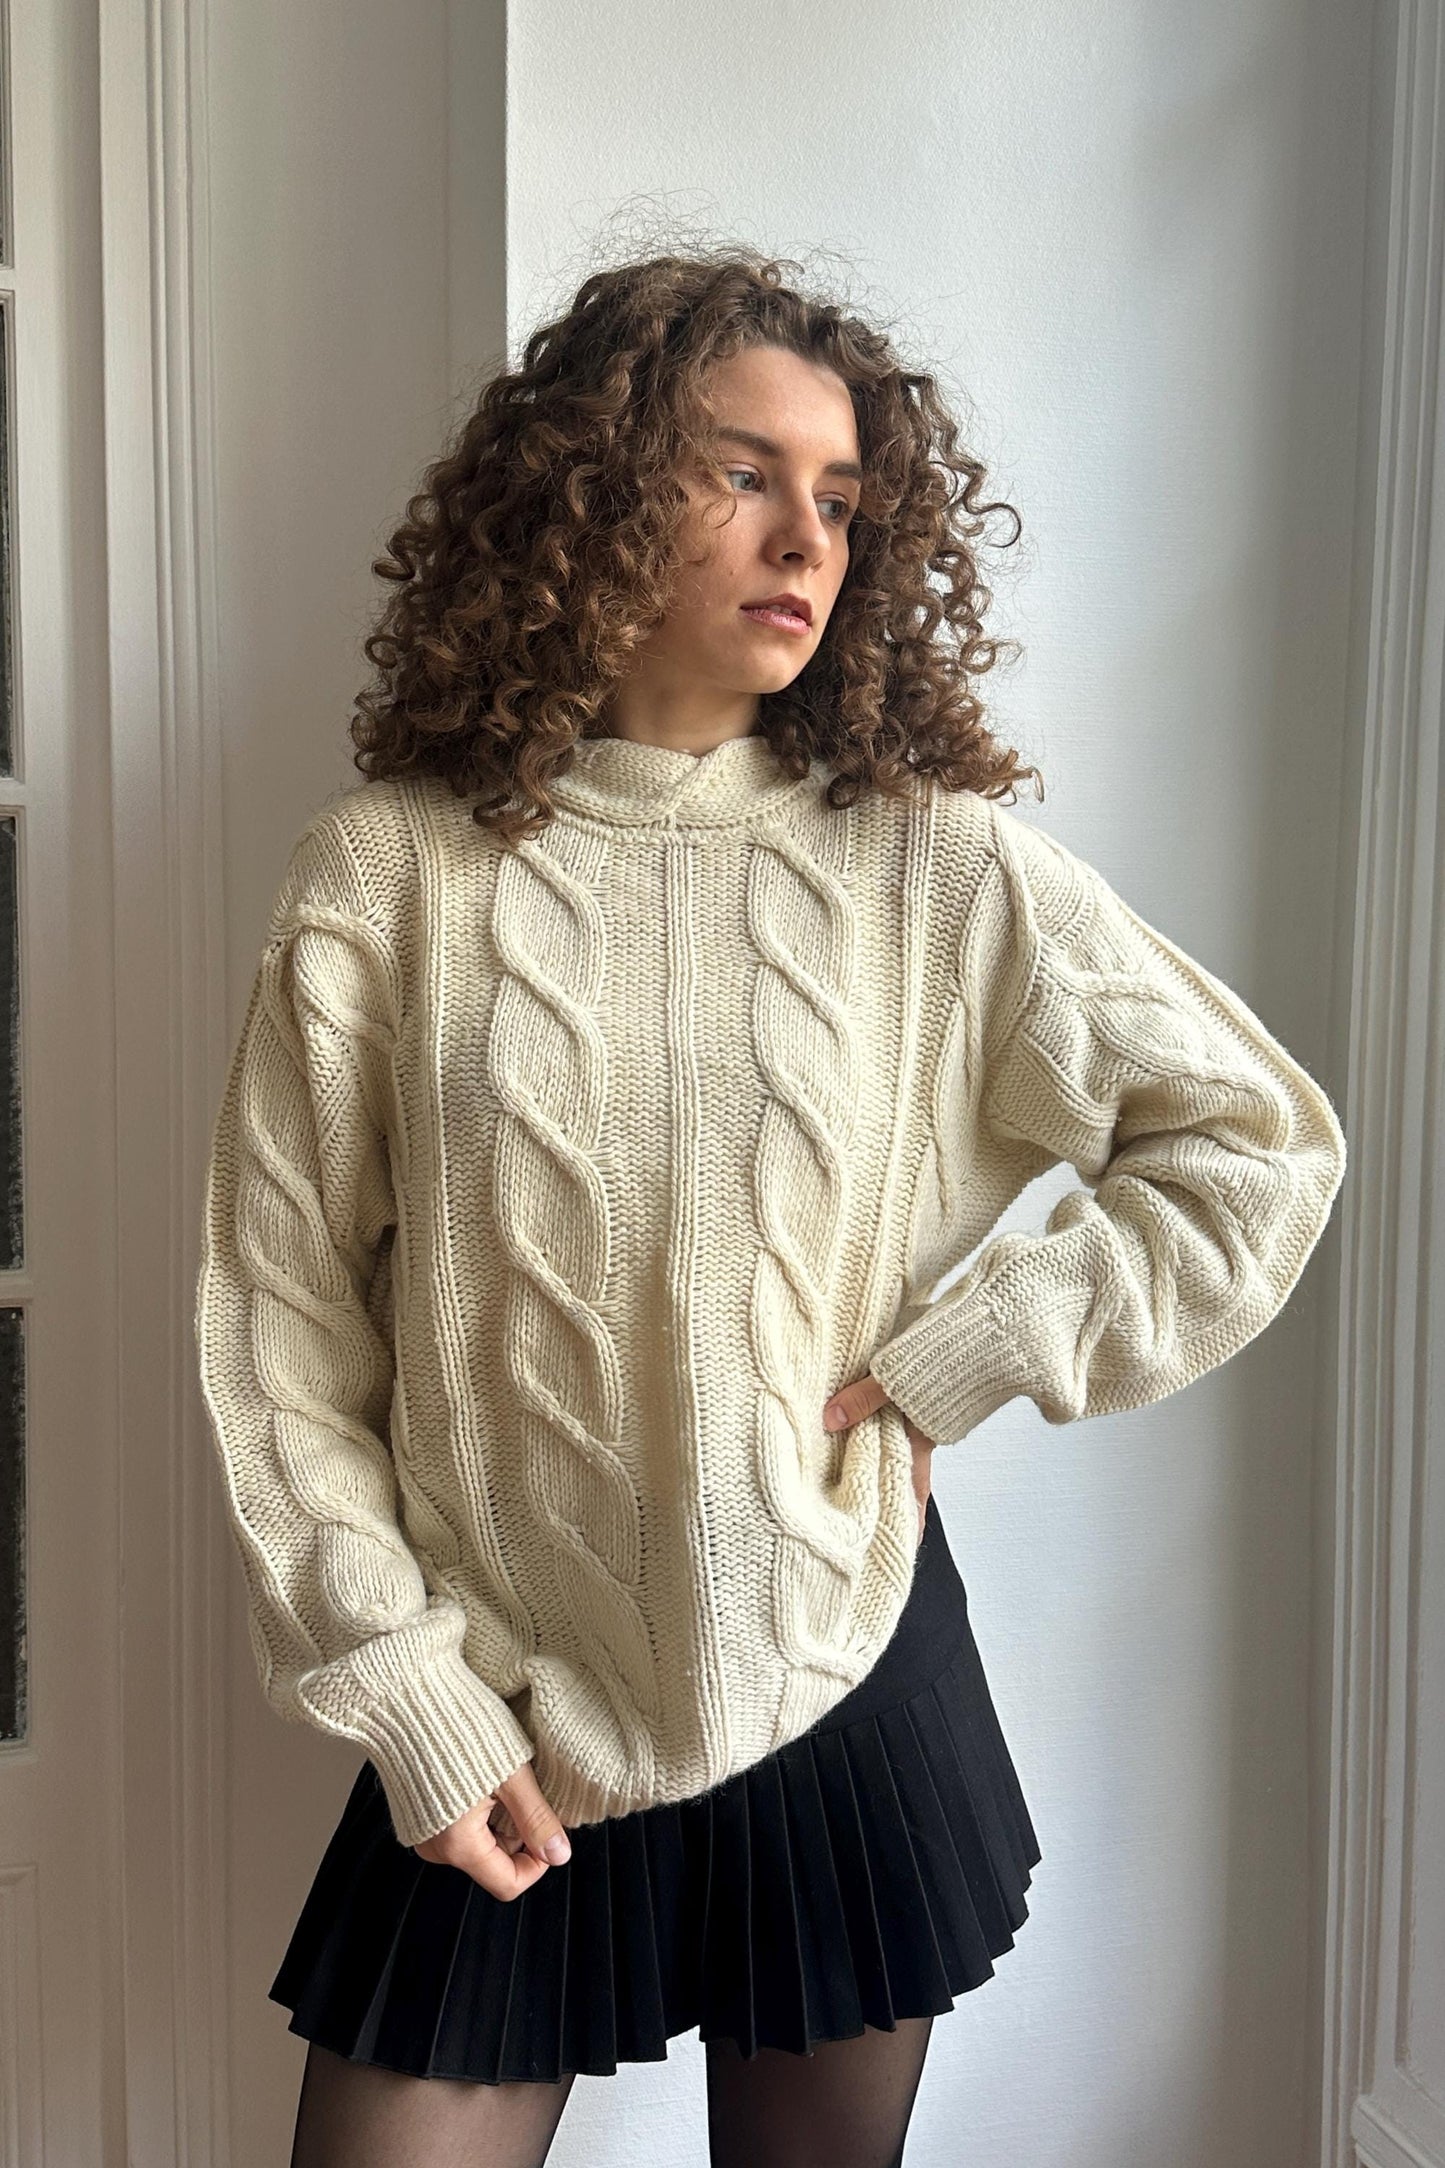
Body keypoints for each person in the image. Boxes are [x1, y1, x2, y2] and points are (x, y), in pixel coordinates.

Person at [193, 245, 1349, 2168]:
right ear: (581, 487)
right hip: (502, 1706)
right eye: (740, 471)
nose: (800, 533)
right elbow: (279, 1318)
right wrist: (400, 1681)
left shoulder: (934, 873)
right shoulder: (383, 880)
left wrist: (972, 1350)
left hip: (839, 1655)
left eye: (838, 497)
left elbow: (1251, 1143)